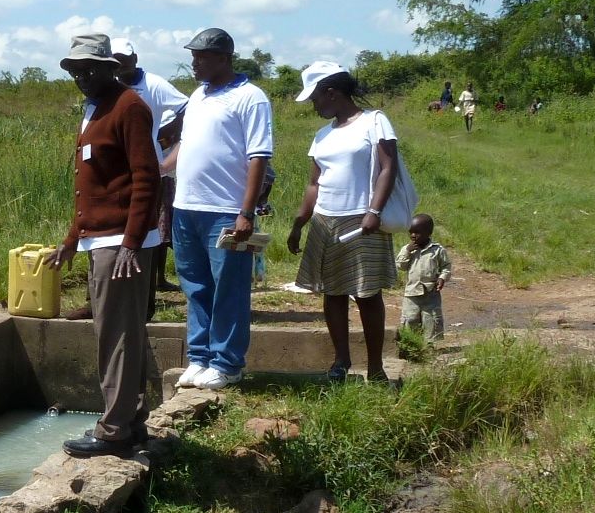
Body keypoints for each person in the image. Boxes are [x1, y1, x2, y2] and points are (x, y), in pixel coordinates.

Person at [48, 34, 161, 457]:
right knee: (118, 332)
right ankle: (130, 420)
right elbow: (91, 189)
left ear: (110, 68)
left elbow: (145, 177)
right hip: (102, 239)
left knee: (115, 334)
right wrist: (71, 240)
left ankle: (113, 429)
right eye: (76, 71)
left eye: (89, 69)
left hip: (121, 242)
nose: (81, 78)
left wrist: (132, 242)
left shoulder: (129, 106)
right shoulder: (94, 108)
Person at [171, 28, 273, 390]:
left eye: (201, 57)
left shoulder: (250, 97)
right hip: (185, 208)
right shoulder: (197, 96)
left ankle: (228, 363)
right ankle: (199, 357)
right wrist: (157, 171)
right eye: (193, 56)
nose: (194, 63)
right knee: (195, 286)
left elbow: (258, 156)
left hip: (225, 211)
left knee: (228, 287)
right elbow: (184, 145)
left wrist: (246, 212)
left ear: (224, 58)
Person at [286, 60, 399, 384]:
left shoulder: (374, 122)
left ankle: (376, 368)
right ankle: (341, 360)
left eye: (315, 98)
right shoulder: (322, 135)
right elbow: (314, 183)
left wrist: (374, 211)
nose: (314, 105)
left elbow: (387, 167)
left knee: (366, 295)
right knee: (332, 293)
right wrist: (299, 223)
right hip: (326, 220)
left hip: (363, 219)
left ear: (332, 92)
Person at [112, 36, 189, 310]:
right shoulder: (108, 88)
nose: (120, 66)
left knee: (151, 230)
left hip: (150, 169)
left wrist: (168, 134)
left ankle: (148, 293)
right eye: (115, 61)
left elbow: (187, 106)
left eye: (125, 60)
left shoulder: (153, 84)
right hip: (115, 173)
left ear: (134, 59)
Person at [397, 214, 451, 342]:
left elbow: (446, 266)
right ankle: (411, 343)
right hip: (411, 293)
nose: (413, 236)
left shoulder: (437, 250)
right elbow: (400, 266)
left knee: (430, 319)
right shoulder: (407, 249)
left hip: (431, 293)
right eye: (411, 232)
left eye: (417, 232)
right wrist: (407, 252)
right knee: (410, 319)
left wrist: (442, 278)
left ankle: (429, 346)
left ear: (428, 233)